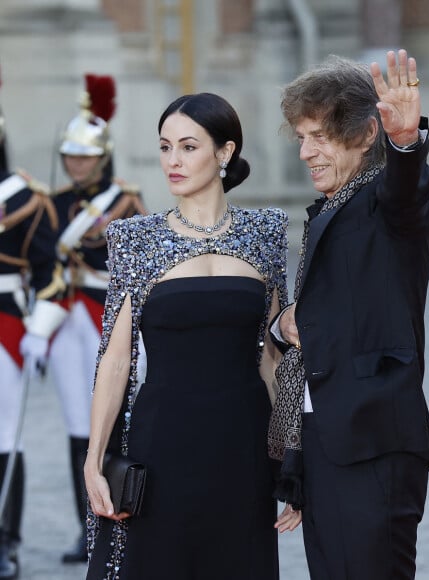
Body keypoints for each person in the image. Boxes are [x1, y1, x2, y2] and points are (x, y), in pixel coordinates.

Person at [84, 92, 300, 579]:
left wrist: (294, 458)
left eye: (187, 147)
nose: (173, 161)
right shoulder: (135, 239)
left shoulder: (263, 232)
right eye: (165, 148)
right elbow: (115, 361)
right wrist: (93, 461)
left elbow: (272, 358)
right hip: (161, 445)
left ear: (224, 153)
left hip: (244, 445)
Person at [267, 49, 429, 580]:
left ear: (366, 136)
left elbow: (406, 195)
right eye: (300, 137)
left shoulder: (384, 206)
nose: (305, 152)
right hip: (325, 446)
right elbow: (321, 318)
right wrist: (283, 323)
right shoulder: (331, 208)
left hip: (375, 445)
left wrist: (405, 144)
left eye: (319, 136)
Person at [48, 74, 148, 564]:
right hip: (68, 318)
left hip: (110, 317)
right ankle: (80, 525)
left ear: (103, 156)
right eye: (71, 156)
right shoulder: (56, 202)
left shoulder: (127, 202)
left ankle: (118, 514)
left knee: (110, 421)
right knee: (74, 424)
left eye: (85, 156)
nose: (76, 164)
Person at [0, 97, 67, 578]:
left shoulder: (26, 199)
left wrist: (39, 330)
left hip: (4, 320)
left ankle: (5, 539)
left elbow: (51, 275)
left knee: (4, 435)